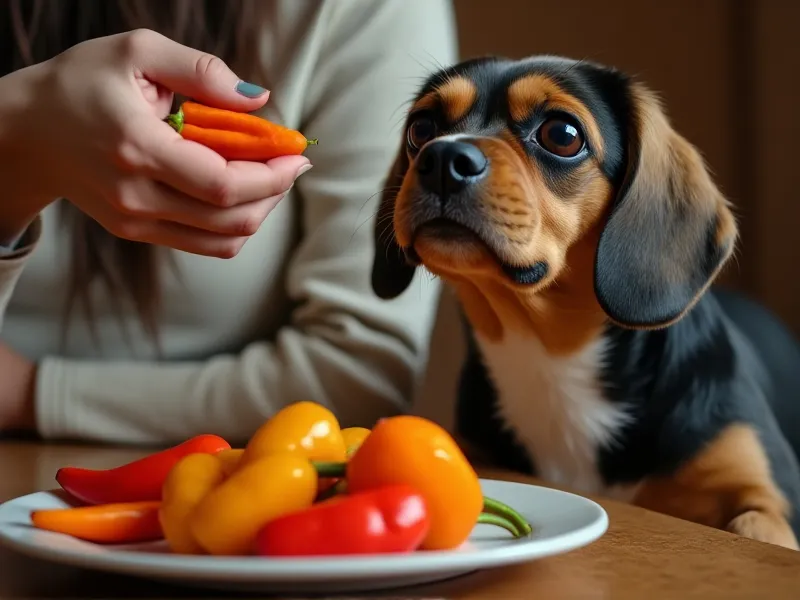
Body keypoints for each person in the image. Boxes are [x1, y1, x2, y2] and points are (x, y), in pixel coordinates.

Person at [0, 0, 457, 444]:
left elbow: (358, 375)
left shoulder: (362, 9)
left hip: (229, 469)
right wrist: (14, 127)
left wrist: (27, 394)